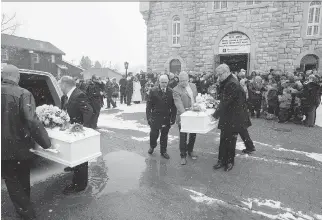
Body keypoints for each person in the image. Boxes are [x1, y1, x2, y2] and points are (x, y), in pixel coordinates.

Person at [2, 64, 51, 220]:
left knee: (11, 178)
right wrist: (46, 143)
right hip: (20, 145)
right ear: (17, 77)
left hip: (2, 148)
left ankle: (23, 206)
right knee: (22, 177)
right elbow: (31, 120)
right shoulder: (23, 93)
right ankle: (27, 212)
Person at [212, 64, 252, 172]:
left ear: (226, 72)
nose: (218, 77)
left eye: (220, 75)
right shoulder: (228, 81)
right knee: (223, 139)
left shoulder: (231, 83)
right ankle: (221, 160)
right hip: (229, 116)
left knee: (230, 141)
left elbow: (225, 101)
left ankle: (229, 162)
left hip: (234, 117)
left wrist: (215, 115)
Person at [59, 76, 93, 194]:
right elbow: (64, 111)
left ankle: (80, 185)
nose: (59, 87)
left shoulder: (79, 95)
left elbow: (88, 112)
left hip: (78, 132)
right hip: (70, 131)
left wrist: (82, 129)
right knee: (74, 154)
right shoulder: (64, 97)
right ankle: (73, 167)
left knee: (81, 158)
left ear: (65, 84)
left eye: (60, 84)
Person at [146, 75, 177, 159]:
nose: (164, 84)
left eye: (165, 82)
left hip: (166, 117)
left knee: (164, 135)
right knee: (154, 134)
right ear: (159, 82)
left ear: (168, 82)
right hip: (155, 117)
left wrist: (173, 118)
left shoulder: (171, 91)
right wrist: (148, 117)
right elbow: (148, 106)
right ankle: (152, 146)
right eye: (162, 82)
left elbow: (174, 107)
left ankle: (163, 151)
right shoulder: (153, 91)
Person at [173, 71, 198, 165]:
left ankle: (190, 150)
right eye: (181, 81)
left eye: (185, 80)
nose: (183, 82)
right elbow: (178, 104)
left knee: (193, 134)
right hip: (183, 116)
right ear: (179, 80)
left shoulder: (193, 86)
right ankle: (182, 155)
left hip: (194, 114)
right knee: (183, 136)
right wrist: (186, 115)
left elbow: (195, 98)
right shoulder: (176, 89)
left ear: (188, 79)